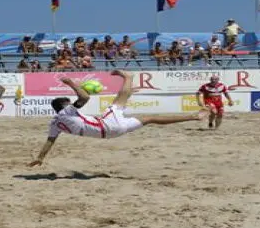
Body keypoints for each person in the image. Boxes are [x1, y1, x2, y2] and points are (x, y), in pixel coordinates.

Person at [28, 70, 209, 166]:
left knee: (148, 117)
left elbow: (49, 142)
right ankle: (127, 77)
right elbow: (84, 97)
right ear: (65, 105)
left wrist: (40, 158)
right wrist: (71, 84)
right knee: (120, 101)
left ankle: (194, 116)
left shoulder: (55, 123)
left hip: (110, 134)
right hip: (106, 126)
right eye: (69, 101)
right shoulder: (66, 111)